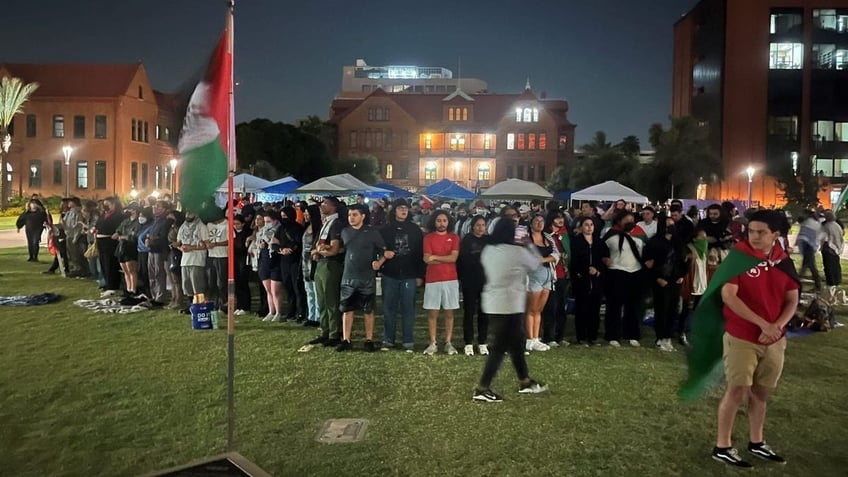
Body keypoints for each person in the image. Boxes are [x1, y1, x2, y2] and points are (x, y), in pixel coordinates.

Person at [710, 210, 799, 468]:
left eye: (761, 232)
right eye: (752, 231)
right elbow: (729, 296)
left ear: (776, 235)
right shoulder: (738, 258)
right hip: (742, 336)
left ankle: (756, 442)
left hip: (773, 340)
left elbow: (792, 299)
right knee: (737, 390)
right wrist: (763, 324)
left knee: (761, 393)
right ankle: (722, 445)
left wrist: (776, 327)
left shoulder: (783, 262)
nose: (755, 236)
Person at [472, 218, 549, 402]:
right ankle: (483, 388)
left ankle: (525, 380)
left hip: (493, 301)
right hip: (510, 303)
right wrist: (528, 244)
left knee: (516, 343)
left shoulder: (489, 250)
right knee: (500, 347)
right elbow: (536, 262)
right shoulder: (517, 252)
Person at [336, 204, 386, 352]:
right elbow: (341, 249)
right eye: (350, 215)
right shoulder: (344, 232)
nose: (351, 218)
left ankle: (369, 339)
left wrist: (379, 262)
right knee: (347, 309)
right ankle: (346, 339)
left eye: (355, 215)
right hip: (348, 276)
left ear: (363, 216)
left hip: (366, 276)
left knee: (368, 310)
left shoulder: (372, 232)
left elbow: (384, 250)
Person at [379, 198, 425, 351]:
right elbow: (378, 249)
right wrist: (383, 256)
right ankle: (388, 339)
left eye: (406, 208)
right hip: (390, 273)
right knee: (389, 308)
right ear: (394, 210)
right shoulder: (385, 229)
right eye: (400, 208)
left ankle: (408, 341)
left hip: (409, 274)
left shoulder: (415, 229)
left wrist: (420, 275)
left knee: (408, 309)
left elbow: (420, 253)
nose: (404, 211)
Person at [643, 214, 688, 352]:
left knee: (673, 309)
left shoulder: (678, 242)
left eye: (672, 225)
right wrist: (657, 278)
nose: (671, 228)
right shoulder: (654, 242)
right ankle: (659, 338)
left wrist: (681, 275)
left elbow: (684, 260)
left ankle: (667, 337)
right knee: (661, 309)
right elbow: (648, 263)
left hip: (675, 280)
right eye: (668, 225)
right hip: (660, 280)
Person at [602, 210, 644, 347]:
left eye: (632, 219)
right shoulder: (610, 234)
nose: (629, 222)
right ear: (619, 221)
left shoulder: (639, 236)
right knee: (614, 305)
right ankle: (612, 335)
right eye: (626, 219)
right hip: (617, 272)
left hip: (635, 272)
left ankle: (631, 334)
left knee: (633, 306)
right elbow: (601, 250)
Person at [308, 197, 346, 347]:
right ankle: (325, 330)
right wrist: (319, 251)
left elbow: (334, 249)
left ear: (334, 206)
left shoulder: (336, 224)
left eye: (325, 203)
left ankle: (334, 333)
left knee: (331, 300)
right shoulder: (326, 223)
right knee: (321, 301)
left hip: (331, 265)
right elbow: (317, 246)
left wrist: (322, 251)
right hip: (321, 264)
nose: (321, 205)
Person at [422, 210, 461, 355]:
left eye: (444, 220)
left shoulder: (454, 237)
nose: (441, 223)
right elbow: (426, 258)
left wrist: (435, 258)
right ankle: (433, 342)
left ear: (448, 222)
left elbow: (453, 258)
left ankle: (448, 342)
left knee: (449, 312)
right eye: (439, 220)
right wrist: (439, 258)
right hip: (433, 279)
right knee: (433, 313)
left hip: (450, 279)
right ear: (434, 222)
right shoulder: (428, 238)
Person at [569, 216, 607, 345]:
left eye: (591, 224)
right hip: (582, 280)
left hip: (596, 280)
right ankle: (581, 336)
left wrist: (598, 270)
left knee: (594, 309)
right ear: (581, 227)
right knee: (581, 309)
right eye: (586, 224)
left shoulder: (599, 242)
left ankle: (593, 336)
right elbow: (574, 261)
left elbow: (604, 259)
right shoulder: (576, 242)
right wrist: (585, 270)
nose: (589, 227)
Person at [457, 215, 490, 356]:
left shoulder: (488, 241)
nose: (480, 228)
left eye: (483, 225)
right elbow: (463, 260)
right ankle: (468, 343)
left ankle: (482, 342)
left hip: (486, 281)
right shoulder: (467, 240)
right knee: (469, 313)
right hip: (470, 281)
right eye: (478, 225)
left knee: (484, 313)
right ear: (472, 226)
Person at [525, 213, 559, 352]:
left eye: (541, 221)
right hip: (533, 275)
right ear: (531, 223)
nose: (539, 223)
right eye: (536, 221)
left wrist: (544, 260)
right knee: (531, 308)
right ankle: (529, 338)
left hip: (547, 274)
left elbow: (556, 254)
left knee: (539, 309)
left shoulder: (548, 237)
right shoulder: (526, 238)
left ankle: (536, 338)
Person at [542, 210, 570, 347]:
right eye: (558, 218)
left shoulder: (563, 235)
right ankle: (549, 336)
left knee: (561, 307)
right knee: (550, 307)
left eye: (562, 218)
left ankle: (560, 336)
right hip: (551, 275)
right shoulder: (546, 236)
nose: (561, 221)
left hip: (563, 275)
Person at [176, 209, 210, 305]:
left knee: (197, 285)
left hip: (197, 260)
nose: (188, 215)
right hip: (185, 260)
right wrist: (179, 247)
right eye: (187, 213)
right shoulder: (183, 227)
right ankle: (191, 305)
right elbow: (179, 242)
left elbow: (206, 244)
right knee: (187, 285)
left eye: (191, 213)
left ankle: (199, 305)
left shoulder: (201, 227)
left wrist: (191, 247)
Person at [256, 211, 285, 322]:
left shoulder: (280, 230)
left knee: (275, 290)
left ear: (276, 221)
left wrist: (275, 244)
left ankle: (279, 312)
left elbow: (279, 245)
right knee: (268, 290)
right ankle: (271, 311)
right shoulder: (263, 231)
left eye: (269, 221)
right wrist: (261, 245)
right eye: (265, 221)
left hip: (275, 261)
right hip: (265, 261)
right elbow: (258, 244)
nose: (266, 224)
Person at [95, 197, 125, 293]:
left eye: (107, 204)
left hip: (110, 241)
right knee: (103, 262)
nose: (105, 207)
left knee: (110, 263)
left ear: (114, 204)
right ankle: (107, 282)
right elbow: (98, 224)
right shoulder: (104, 215)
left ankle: (112, 284)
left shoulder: (118, 216)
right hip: (101, 240)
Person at [300, 204, 322, 327]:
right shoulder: (307, 227)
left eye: (307, 213)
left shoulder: (318, 228)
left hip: (314, 262)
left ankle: (318, 317)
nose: (305, 215)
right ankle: (311, 315)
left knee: (316, 290)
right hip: (305, 263)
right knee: (309, 291)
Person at [114, 205, 141, 297]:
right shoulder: (126, 221)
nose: (128, 211)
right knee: (125, 270)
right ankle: (128, 289)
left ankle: (133, 290)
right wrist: (117, 233)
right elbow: (119, 229)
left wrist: (124, 237)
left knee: (131, 269)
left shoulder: (138, 222)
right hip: (122, 247)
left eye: (131, 209)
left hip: (131, 247)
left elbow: (135, 236)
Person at [205, 209, 229, 312]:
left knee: (222, 282)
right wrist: (207, 244)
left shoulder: (227, 224)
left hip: (222, 256)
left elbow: (230, 240)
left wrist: (216, 244)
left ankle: (223, 303)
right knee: (211, 281)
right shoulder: (209, 225)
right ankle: (213, 303)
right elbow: (205, 238)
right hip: (211, 256)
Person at [795, 210, 822, 292]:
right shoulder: (815, 223)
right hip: (811, 246)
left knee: (810, 266)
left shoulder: (808, 223)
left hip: (808, 246)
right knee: (807, 265)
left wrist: (798, 244)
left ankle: (817, 285)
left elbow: (803, 236)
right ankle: (798, 282)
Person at [819, 210, 843, 302]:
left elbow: (823, 238)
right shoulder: (837, 226)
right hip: (836, 249)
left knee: (829, 267)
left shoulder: (827, 226)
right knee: (836, 265)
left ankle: (831, 283)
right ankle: (837, 280)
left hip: (828, 249)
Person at [232, 214, 252, 316]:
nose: (236, 226)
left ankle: (246, 306)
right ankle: (239, 305)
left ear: (243, 224)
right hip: (235, 258)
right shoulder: (233, 233)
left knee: (243, 282)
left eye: (238, 224)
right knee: (237, 283)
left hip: (244, 259)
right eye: (234, 224)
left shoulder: (247, 233)